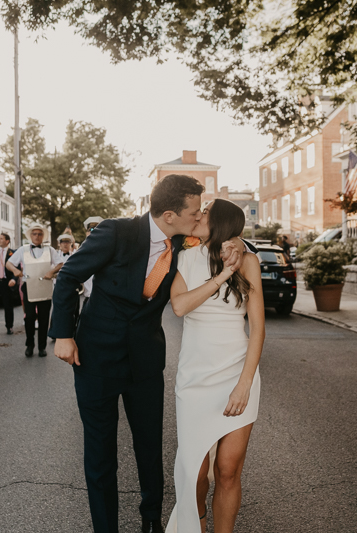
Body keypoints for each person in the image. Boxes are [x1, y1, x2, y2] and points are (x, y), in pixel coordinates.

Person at [49, 175, 247, 533]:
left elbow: (222, 238)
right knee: (101, 454)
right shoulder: (115, 232)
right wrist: (63, 334)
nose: (200, 215)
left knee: (149, 445)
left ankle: (151, 517)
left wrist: (238, 245)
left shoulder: (184, 242)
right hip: (95, 360)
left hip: (145, 362)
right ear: (170, 214)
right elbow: (67, 277)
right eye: (195, 209)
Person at [166, 199, 265, 533]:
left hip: (237, 373)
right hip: (195, 379)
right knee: (195, 472)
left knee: (227, 470)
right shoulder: (183, 258)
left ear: (220, 223)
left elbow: (258, 330)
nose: (197, 215)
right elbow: (179, 306)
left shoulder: (249, 261)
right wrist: (223, 274)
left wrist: (244, 384)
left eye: (204, 212)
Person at [6, 224, 59, 358]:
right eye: (34, 234)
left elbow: (61, 263)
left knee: (44, 318)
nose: (37, 236)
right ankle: (29, 345)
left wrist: (52, 271)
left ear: (43, 236)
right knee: (29, 317)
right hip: (28, 286)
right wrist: (15, 270)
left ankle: (42, 347)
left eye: (39, 234)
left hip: (45, 287)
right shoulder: (23, 250)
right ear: (31, 236)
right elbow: (8, 263)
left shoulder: (50, 249)